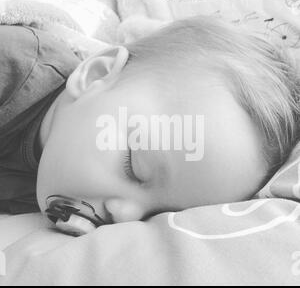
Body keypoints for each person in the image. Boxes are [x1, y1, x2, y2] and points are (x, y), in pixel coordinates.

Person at [1, 16, 299, 226]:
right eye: (135, 168)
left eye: (155, 215)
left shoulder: (63, 183)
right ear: (96, 77)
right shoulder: (14, 65)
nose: (126, 216)